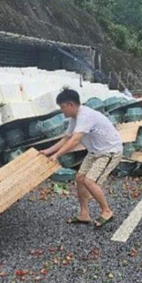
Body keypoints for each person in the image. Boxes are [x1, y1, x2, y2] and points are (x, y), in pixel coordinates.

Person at [40, 89, 123, 227]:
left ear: (70, 104)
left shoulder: (85, 116)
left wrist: (56, 156)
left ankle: (106, 211)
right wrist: (48, 152)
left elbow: (74, 141)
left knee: (89, 181)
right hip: (95, 152)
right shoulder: (75, 118)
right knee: (80, 178)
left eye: (62, 107)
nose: (62, 111)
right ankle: (84, 214)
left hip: (110, 151)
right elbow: (67, 138)